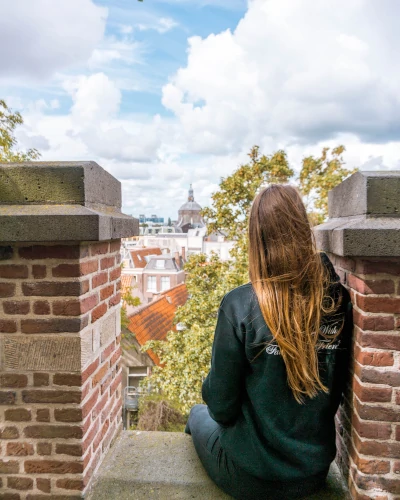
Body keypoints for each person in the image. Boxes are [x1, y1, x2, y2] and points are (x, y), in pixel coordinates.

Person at [185, 184, 353, 500]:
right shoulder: (336, 301)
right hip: (312, 474)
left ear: (256, 238)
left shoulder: (239, 306)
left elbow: (220, 407)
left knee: (197, 414)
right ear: (303, 229)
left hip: (250, 476)